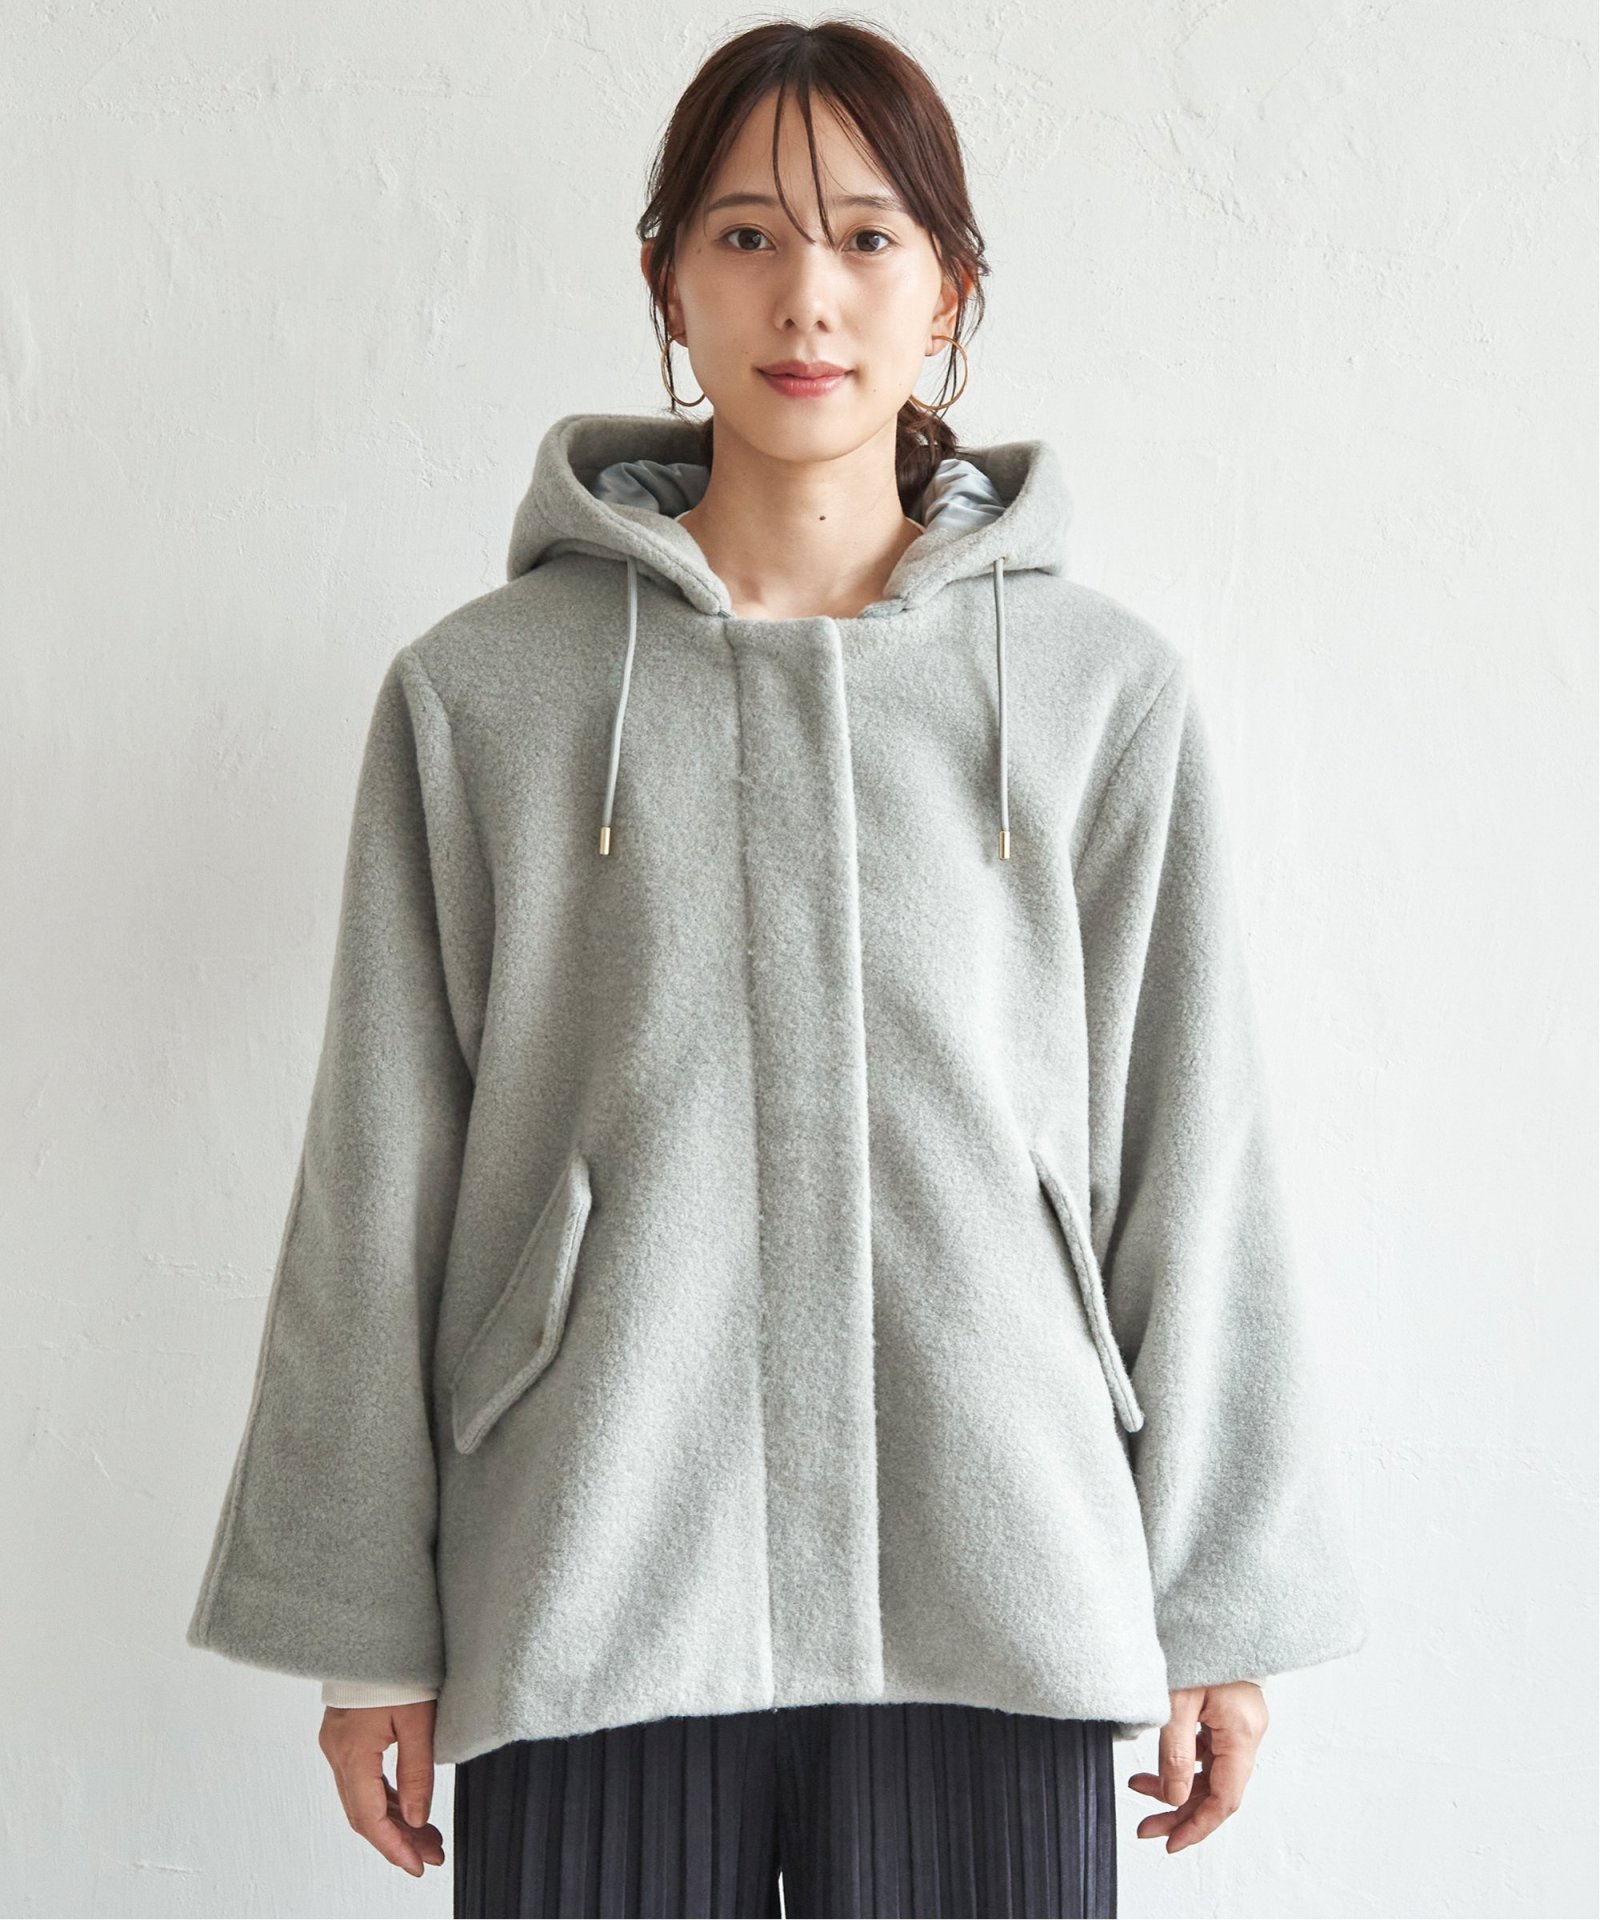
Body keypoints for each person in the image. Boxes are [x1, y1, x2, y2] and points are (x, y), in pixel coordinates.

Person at [184, 20, 1367, 1919]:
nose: (807, 296)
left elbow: (1187, 1152)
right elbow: (377, 1171)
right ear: (669, 280)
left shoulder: (1098, 695)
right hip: (592, 1575)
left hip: (1001, 1580)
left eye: (869, 237)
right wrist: (361, 1625)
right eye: (745, 236)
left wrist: (1217, 1600)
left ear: (949, 288)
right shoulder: (485, 695)